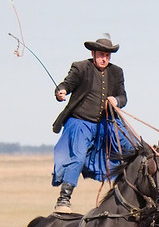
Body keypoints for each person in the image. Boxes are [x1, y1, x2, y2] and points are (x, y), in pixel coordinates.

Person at [50, 33, 137, 213]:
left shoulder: (117, 72)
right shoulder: (81, 68)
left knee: (133, 148)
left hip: (106, 123)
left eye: (107, 55)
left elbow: (123, 96)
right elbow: (66, 84)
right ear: (93, 54)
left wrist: (117, 101)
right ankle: (64, 199)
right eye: (101, 54)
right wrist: (62, 91)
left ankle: (133, 191)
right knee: (78, 156)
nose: (104, 58)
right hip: (80, 123)